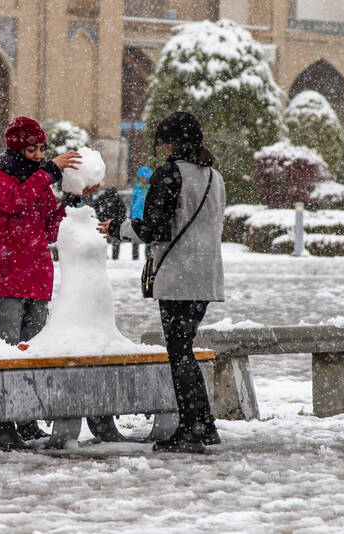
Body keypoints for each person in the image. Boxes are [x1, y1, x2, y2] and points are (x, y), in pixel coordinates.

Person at [98, 111, 225, 454]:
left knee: (179, 351)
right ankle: (204, 424)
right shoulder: (214, 176)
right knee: (184, 347)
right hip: (207, 273)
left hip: (179, 275)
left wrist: (116, 228)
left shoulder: (170, 174)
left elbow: (154, 228)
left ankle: (191, 428)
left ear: (170, 143)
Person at [0, 116, 97, 450]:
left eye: (41, 149)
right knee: (5, 356)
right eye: (31, 149)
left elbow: (49, 228)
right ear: (17, 149)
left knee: (31, 354)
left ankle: (26, 420)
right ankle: (0, 425)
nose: (37, 155)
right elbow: (15, 201)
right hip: (5, 278)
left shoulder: (39, 183)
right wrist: (48, 170)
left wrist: (71, 202)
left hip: (36, 278)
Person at [93, 187, 127, 260]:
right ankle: (103, 255)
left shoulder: (120, 204)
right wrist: (100, 216)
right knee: (102, 240)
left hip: (114, 224)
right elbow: (96, 206)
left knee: (116, 240)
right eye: (108, 201)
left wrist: (116, 222)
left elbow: (123, 215)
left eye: (111, 202)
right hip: (104, 222)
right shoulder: (101, 199)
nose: (109, 203)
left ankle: (115, 257)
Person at [129, 166, 152, 259]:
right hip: (136, 215)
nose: (144, 179)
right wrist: (131, 212)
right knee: (135, 235)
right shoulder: (136, 187)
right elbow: (133, 201)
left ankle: (148, 255)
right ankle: (135, 256)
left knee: (148, 236)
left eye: (146, 178)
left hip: (147, 215)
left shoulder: (150, 187)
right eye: (142, 177)